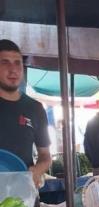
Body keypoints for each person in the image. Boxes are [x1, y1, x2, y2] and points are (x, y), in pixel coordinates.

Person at [0, 39, 52, 188]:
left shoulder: (35, 108)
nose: (13, 69)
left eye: (17, 63)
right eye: (5, 63)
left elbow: (45, 156)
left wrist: (37, 170)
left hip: (24, 195)